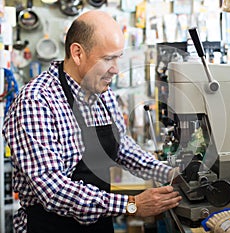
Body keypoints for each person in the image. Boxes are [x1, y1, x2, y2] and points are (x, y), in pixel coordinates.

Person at [2, 10, 181, 233]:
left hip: (98, 224)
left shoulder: (102, 92)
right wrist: (131, 205)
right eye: (107, 59)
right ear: (77, 53)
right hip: (51, 227)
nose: (116, 69)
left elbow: (122, 147)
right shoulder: (36, 101)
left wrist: (168, 173)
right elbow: (52, 189)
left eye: (118, 57)